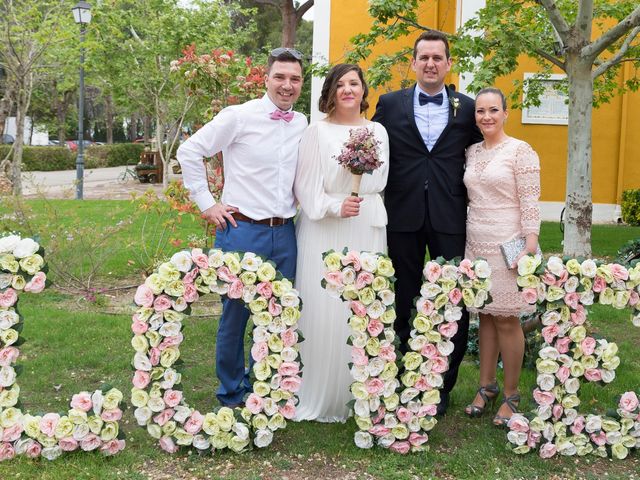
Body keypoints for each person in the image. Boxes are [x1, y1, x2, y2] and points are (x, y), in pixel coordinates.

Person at [177, 48, 307, 407]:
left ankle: (265, 389)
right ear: (266, 79)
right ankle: (232, 392)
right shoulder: (238, 116)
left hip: (285, 233)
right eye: (280, 77)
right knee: (236, 315)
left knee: (278, 315)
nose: (287, 85)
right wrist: (207, 203)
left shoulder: (302, 124)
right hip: (242, 230)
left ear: (301, 84)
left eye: (294, 79)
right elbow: (190, 151)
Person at [372, 30, 483, 415]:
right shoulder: (389, 104)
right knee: (404, 292)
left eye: (438, 57)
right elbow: (369, 149)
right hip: (401, 214)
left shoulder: (467, 108)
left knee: (452, 297)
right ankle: (403, 370)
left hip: (450, 215)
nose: (431, 64)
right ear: (413, 63)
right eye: (424, 58)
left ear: (449, 63)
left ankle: (442, 382)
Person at [293, 64, 389, 422]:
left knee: (362, 306)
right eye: (341, 84)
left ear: (364, 90)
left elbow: (381, 178)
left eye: (355, 83)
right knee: (325, 306)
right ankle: (322, 391)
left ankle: (362, 389)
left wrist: (358, 201)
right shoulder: (316, 132)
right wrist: (335, 206)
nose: (348, 90)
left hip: (367, 223)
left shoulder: (378, 130)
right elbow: (305, 186)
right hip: (327, 226)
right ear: (330, 92)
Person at [462, 87, 540, 426]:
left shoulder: (520, 151)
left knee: (507, 317)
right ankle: (486, 386)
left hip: (508, 243)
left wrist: (530, 244)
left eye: (493, 110)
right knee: (485, 316)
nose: (487, 116)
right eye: (480, 111)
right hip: (476, 241)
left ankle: (512, 393)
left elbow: (531, 201)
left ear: (506, 113)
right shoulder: (471, 152)